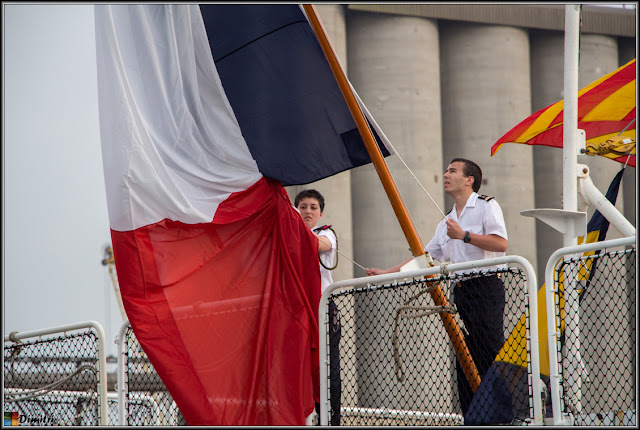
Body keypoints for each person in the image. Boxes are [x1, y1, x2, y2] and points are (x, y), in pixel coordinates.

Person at [365, 158, 508, 418]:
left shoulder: (486, 206)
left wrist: (464, 235)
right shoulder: (447, 222)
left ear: (469, 180)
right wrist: (384, 273)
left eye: (452, 171)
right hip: (461, 293)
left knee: (489, 351)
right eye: (446, 170)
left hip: (485, 288)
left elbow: (500, 244)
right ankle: (473, 416)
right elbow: (424, 259)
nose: (445, 175)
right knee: (463, 358)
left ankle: (501, 416)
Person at [294, 189, 341, 426]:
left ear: (321, 213)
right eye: (303, 207)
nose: (308, 211)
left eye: (313, 207)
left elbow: (319, 246)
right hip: (298, 310)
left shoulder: (326, 234)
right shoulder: (290, 235)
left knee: (326, 366)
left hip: (322, 308)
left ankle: (329, 419)